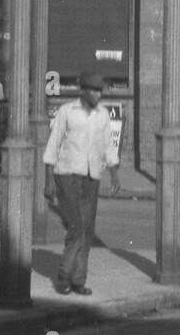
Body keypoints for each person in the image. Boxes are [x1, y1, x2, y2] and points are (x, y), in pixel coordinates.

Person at [43, 72, 121, 295]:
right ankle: (64, 275)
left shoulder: (103, 115)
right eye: (94, 90)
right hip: (67, 174)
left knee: (87, 229)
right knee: (76, 226)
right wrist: (48, 181)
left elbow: (108, 146)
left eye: (100, 91)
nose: (98, 95)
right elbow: (53, 145)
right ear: (83, 91)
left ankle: (79, 280)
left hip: (92, 176)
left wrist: (114, 174)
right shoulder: (67, 112)